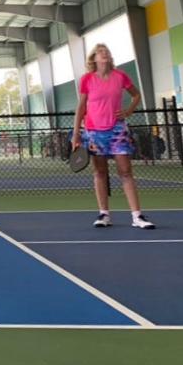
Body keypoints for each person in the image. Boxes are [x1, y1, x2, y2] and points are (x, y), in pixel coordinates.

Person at [72, 43, 155, 229]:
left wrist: (128, 111)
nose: (105, 54)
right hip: (94, 131)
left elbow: (136, 95)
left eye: (107, 52)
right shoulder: (86, 79)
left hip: (117, 130)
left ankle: (137, 216)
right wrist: (76, 134)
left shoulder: (121, 76)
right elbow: (81, 107)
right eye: (100, 52)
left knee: (125, 171)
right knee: (100, 172)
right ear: (93, 58)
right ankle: (104, 215)